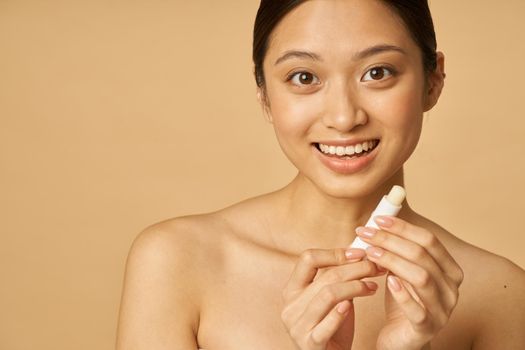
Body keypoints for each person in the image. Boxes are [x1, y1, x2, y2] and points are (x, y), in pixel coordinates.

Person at [115, 0, 525, 349]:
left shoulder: (500, 295)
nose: (344, 118)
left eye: (378, 72)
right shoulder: (178, 261)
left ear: (432, 81)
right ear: (263, 94)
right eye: (304, 78)